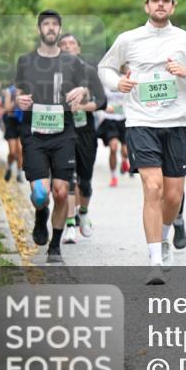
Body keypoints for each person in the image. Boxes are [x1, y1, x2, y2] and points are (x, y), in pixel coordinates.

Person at [97, 0, 186, 284]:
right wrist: (116, 84)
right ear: (146, 6)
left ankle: (164, 236)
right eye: (155, 1)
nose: (160, 5)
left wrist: (185, 73)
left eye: (165, 1)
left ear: (173, 7)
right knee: (153, 188)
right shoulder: (129, 39)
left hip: (177, 123)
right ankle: (154, 262)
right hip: (141, 121)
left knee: (173, 196)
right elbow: (105, 68)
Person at [14, 10, 98, 264]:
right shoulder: (26, 61)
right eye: (46, 24)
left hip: (64, 133)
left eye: (55, 25)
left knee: (62, 192)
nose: (50, 28)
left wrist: (82, 90)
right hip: (35, 134)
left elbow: (90, 88)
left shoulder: (73, 63)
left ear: (59, 30)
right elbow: (17, 92)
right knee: (41, 194)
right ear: (40, 30)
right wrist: (19, 99)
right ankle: (41, 215)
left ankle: (55, 245)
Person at [58, 33, 106, 242]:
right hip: (62, 131)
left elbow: (102, 101)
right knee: (68, 178)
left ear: (78, 48)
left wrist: (82, 106)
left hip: (85, 131)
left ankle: (83, 213)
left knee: (84, 181)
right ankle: (69, 225)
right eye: (63, 44)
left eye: (72, 43)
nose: (68, 47)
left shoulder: (88, 71)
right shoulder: (53, 72)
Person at [99, 65, 130, 187]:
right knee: (113, 147)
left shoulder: (127, 78)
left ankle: (124, 160)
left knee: (125, 150)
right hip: (110, 119)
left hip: (125, 119)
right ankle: (113, 176)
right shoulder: (106, 80)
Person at [2, 84, 25, 181]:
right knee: (12, 152)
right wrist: (16, 99)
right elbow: (7, 108)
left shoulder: (26, 89)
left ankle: (19, 174)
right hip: (12, 122)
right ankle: (9, 167)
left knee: (20, 150)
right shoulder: (9, 91)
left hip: (22, 122)